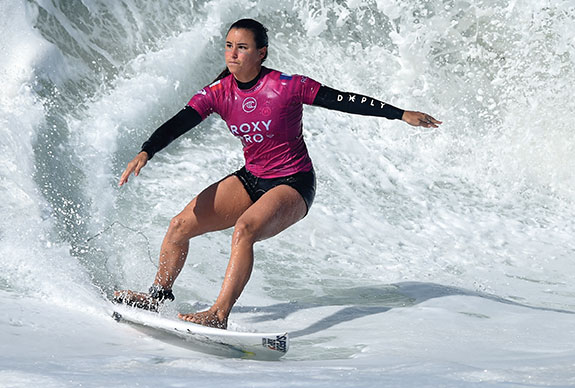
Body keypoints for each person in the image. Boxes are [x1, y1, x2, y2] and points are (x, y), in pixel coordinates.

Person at [114, 18, 440, 329]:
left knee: (244, 230)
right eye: (228, 46)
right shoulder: (218, 92)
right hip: (252, 177)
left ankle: (218, 313)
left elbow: (343, 100)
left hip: (293, 182)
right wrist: (147, 150)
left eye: (242, 47)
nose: (232, 54)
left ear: (261, 53)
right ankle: (158, 297)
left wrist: (400, 114)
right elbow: (180, 122)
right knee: (179, 225)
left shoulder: (287, 86)